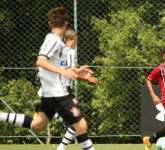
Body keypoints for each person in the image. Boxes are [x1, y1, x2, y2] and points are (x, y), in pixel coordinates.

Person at [0, 6, 96, 150]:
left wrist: (77, 73)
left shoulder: (55, 41)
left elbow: (56, 66)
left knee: (38, 125)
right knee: (81, 126)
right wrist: (64, 73)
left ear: (50, 24)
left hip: (50, 94)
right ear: (66, 25)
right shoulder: (55, 41)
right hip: (59, 94)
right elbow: (40, 61)